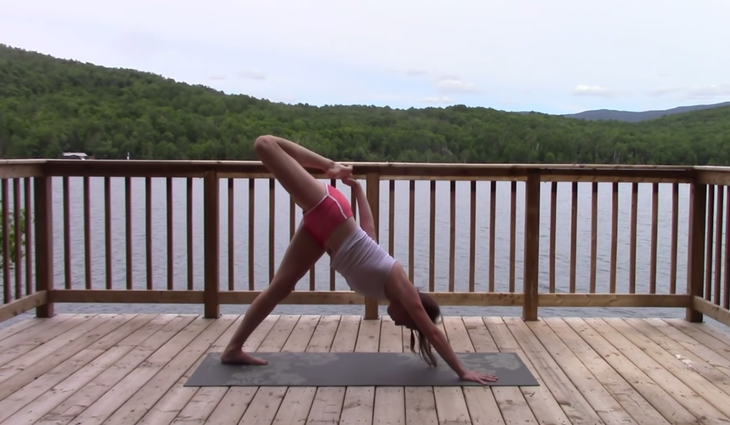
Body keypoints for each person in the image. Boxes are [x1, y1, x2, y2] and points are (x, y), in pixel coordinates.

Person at [220, 134, 498, 385]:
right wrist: (463, 371)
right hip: (329, 211)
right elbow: (434, 334)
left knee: (280, 287)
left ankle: (233, 349)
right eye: (408, 322)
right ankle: (329, 165)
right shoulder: (404, 289)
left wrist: (360, 193)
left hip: (324, 234)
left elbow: (369, 234)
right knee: (264, 144)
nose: (400, 324)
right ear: (412, 309)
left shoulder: (387, 287)